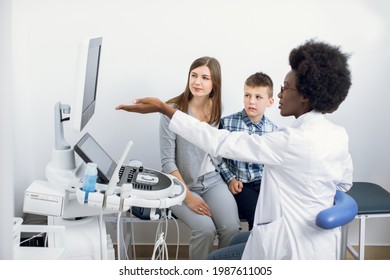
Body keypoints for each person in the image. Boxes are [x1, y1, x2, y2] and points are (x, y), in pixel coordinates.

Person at [116, 39, 353, 260]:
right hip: (320, 244)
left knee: (214, 260)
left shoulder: (290, 141)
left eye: (285, 88)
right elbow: (343, 185)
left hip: (289, 247)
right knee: (236, 237)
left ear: (304, 96)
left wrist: (165, 109)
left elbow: (220, 142)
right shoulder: (337, 135)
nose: (279, 94)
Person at [158, 56, 240, 259]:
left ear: (214, 85)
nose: (197, 82)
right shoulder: (171, 111)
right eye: (194, 75)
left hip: (212, 182)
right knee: (205, 230)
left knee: (231, 228)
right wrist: (188, 197)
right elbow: (167, 162)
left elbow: (215, 151)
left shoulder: (215, 109)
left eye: (205, 78)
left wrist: (230, 178)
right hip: (180, 185)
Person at [218, 72, 278, 231]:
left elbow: (273, 163)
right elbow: (216, 157)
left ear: (270, 102)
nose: (251, 101)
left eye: (258, 97)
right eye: (247, 95)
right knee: (257, 215)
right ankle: (253, 251)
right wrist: (230, 179)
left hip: (265, 184)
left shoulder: (273, 131)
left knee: (276, 215)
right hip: (241, 185)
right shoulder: (227, 123)